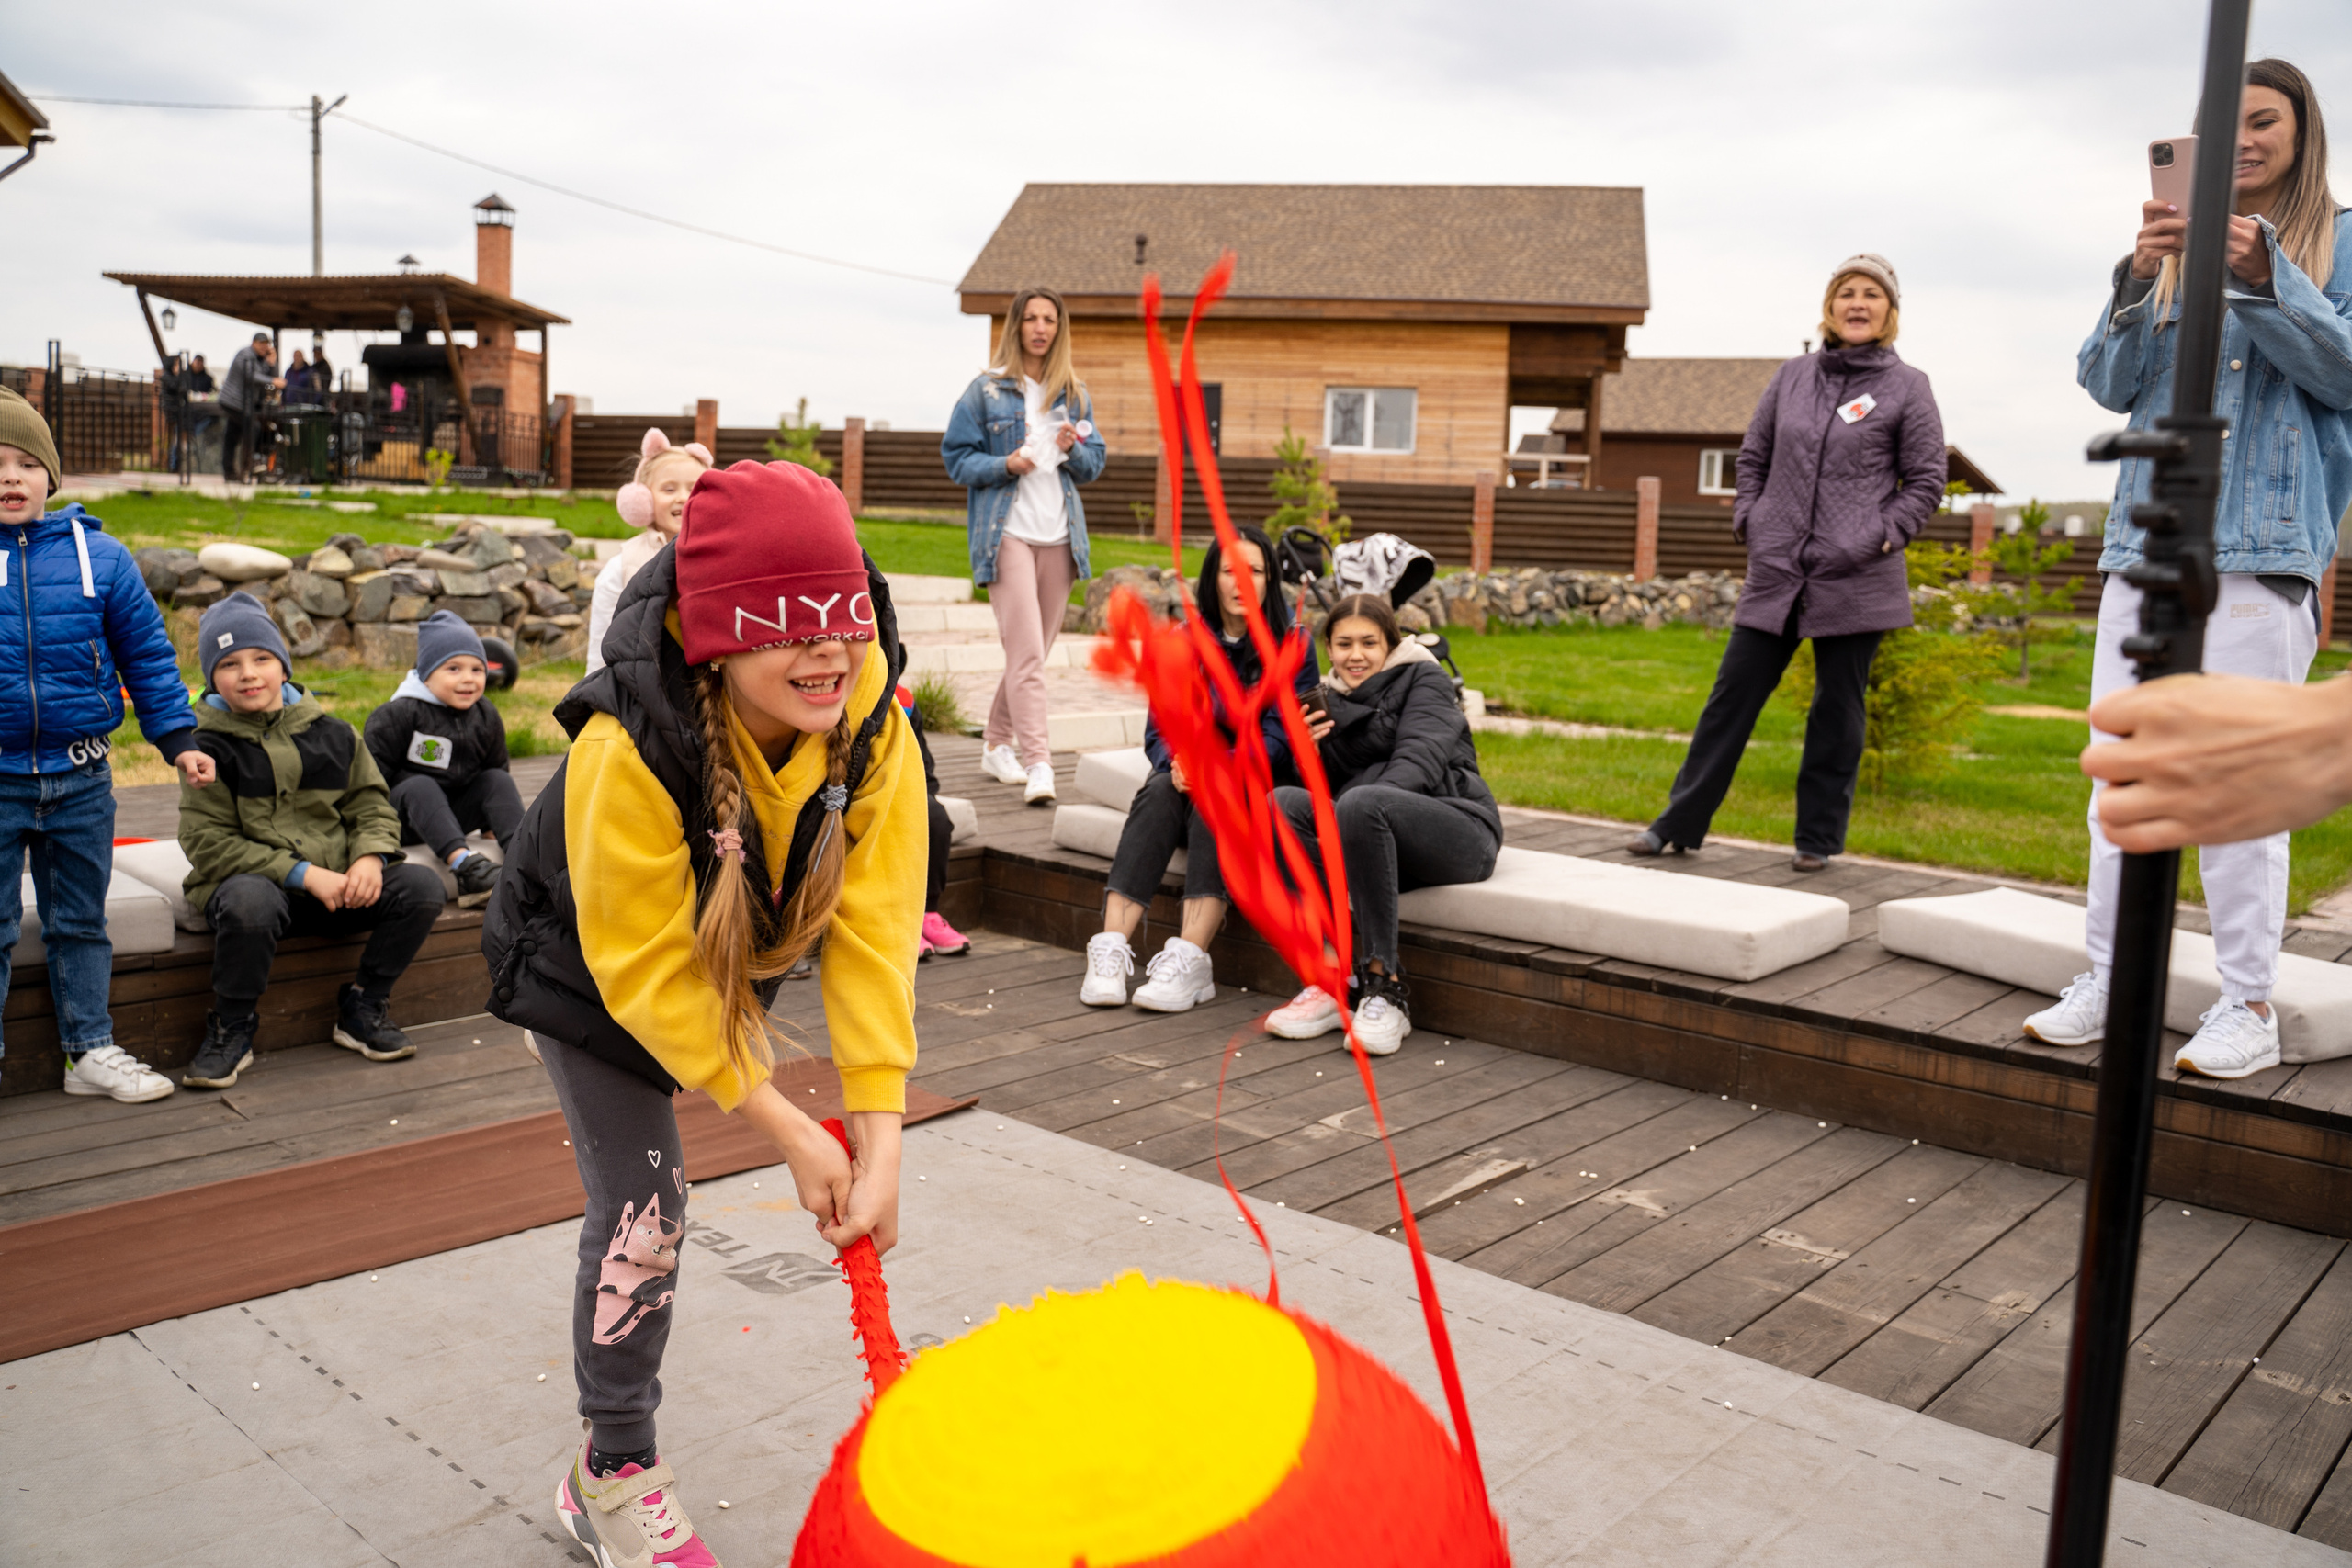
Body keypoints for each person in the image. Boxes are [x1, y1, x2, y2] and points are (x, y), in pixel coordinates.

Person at [481, 460, 922, 1566]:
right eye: (786, 625)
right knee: (645, 1206)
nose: (826, 651)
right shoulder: (621, 746)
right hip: (584, 963)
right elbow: (642, 968)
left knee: (705, 1162)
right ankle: (612, 1470)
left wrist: (880, 1128)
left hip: (732, 941)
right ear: (719, 632)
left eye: (844, 619)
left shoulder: (872, 731)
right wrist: (780, 1121)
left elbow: (872, 932)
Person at [2030, 58, 2349, 1082]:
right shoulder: (2167, 251)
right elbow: (2107, 382)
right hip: (2145, 543)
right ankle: (2106, 976)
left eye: (2264, 122)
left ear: (2302, 134)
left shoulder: (2342, 242)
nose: (2246, 141)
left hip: (2260, 554)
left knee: (2234, 791)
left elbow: (2344, 374)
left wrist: (2264, 280)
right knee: (2118, 781)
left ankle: (2245, 1001)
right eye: (2227, 125)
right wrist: (2135, 278)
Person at [1630, 253, 1946, 873]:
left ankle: (1817, 840)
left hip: (1857, 576)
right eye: (1846, 293)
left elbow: (1927, 480)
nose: (1858, 303)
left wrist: (1881, 536)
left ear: (1890, 313)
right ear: (1829, 308)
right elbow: (1753, 456)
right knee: (1730, 699)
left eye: (1872, 295)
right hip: (1777, 569)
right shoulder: (1792, 376)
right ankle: (1678, 823)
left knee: (1837, 710)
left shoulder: (1909, 387)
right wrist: (1751, 517)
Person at [0, 389, 212, 1104]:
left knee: (79, 922)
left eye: (26, 462)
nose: (10, 477)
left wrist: (178, 738)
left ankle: (88, 1049)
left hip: (81, 778)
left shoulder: (103, 556)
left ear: (51, 476)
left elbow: (148, 656)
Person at [177, 592, 447, 1089]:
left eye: (262, 659)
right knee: (250, 901)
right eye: (230, 664)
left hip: (340, 884)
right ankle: (232, 1026)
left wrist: (369, 857)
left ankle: (363, 1007)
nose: (249, 674)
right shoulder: (204, 747)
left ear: (283, 666)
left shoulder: (335, 733)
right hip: (260, 888)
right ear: (211, 678)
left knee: (421, 887)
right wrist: (303, 874)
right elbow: (207, 841)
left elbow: (371, 805)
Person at [1080, 525, 1319, 1014]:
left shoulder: (1293, 644)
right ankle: (1109, 948)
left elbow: (1279, 735)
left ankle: (1190, 957)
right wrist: (1178, 759)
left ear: (1270, 580)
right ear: (1213, 577)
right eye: (1230, 570)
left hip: (1255, 784)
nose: (1241, 582)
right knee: (1158, 790)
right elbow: (1161, 726)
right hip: (1188, 778)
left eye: (1254, 571)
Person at [1263, 595, 1502, 1055]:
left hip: (1458, 828)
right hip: (1373, 837)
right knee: (1282, 803)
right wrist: (1308, 757)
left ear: (1390, 643)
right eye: (1344, 644)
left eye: (1369, 642)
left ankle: (1385, 990)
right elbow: (1328, 797)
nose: (1356, 655)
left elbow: (1420, 763)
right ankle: (1334, 982)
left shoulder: (1424, 678)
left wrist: (1351, 815)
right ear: (1328, 651)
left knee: (1360, 803)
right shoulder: (1326, 701)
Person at [942, 285, 1107, 807]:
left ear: (1059, 329)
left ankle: (996, 744)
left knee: (1028, 655)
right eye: (1031, 318)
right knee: (1029, 654)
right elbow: (956, 459)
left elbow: (1095, 462)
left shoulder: (1073, 393)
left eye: (1049, 320)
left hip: (1059, 537)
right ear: (1016, 326)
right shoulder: (986, 391)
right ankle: (1039, 763)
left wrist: (1072, 447)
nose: (1040, 327)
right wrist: (1005, 464)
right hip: (1006, 533)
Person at [2084, 673, 2352, 851]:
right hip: (2121, 592)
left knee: (2240, 844)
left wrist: (2333, 732)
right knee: (2119, 812)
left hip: (2256, 588)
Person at [364, 612, 522, 909]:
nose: (468, 679)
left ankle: (525, 858)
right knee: (419, 785)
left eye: (477, 669)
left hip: (450, 814)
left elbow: (495, 768)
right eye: (453, 668)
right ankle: (465, 867)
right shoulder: (397, 714)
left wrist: (492, 825)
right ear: (425, 674)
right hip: (401, 819)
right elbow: (369, 780)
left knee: (497, 780)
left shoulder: (485, 715)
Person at [586, 428, 711, 675]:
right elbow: (601, 642)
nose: (683, 498)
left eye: (693, 489)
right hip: (641, 686)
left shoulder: (719, 558)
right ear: (642, 499)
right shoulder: (622, 566)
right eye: (669, 489)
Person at [896, 680, 973, 959]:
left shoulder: (903, 699)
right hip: (855, 789)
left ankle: (928, 913)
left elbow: (922, 761)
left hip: (904, 786)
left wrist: (921, 796)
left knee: (936, 819)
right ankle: (899, 919)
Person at [219, 333, 282, 482]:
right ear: (253, 343)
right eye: (261, 344)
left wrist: (272, 363)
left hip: (243, 405)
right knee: (253, 428)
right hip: (233, 402)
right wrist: (273, 380)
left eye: (266, 344)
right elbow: (251, 376)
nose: (264, 347)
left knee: (232, 436)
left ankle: (231, 472)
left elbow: (267, 375)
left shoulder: (261, 360)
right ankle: (246, 468)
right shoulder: (245, 354)